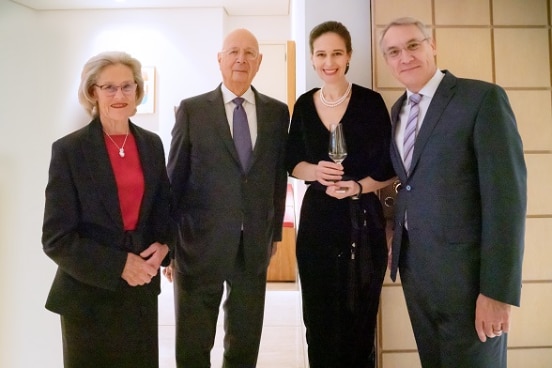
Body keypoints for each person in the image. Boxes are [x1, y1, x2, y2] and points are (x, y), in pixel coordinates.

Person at [379, 17, 527, 367]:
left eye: (413, 45)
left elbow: (506, 202)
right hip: (416, 272)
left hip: (469, 281)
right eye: (394, 51)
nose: (405, 57)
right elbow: (411, 183)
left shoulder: (482, 99)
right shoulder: (398, 110)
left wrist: (497, 293)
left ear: (432, 46)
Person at [165, 28, 289, 368]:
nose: (241, 58)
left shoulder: (277, 113)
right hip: (197, 245)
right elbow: (173, 180)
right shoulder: (192, 111)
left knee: (245, 340)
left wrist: (274, 233)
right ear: (219, 59)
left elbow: (278, 178)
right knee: (193, 341)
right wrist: (169, 245)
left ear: (260, 62)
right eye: (233, 51)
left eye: (250, 52)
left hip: (253, 247)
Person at [42, 51, 174, 368]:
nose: (119, 95)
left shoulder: (151, 144)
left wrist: (166, 247)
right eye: (109, 87)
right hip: (87, 294)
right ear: (93, 92)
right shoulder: (69, 150)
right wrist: (118, 265)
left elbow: (163, 211)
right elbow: (56, 238)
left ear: (138, 92)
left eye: (127, 87)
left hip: (139, 291)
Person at [285, 21, 396, 368]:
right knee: (318, 320)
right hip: (318, 220)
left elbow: (391, 167)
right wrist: (315, 171)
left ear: (348, 56)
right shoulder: (304, 105)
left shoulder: (371, 102)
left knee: (358, 322)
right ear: (312, 58)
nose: (328, 61)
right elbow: (291, 163)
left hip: (361, 221)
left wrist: (359, 186)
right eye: (321, 54)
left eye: (336, 53)